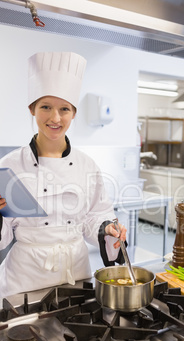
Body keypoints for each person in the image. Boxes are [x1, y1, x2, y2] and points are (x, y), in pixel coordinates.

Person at [0, 51, 127, 298]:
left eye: (64, 109)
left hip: (76, 277)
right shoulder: (10, 165)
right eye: (46, 107)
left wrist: (108, 228)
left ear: (74, 113)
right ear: (32, 109)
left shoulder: (86, 165)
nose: (55, 118)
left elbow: (95, 216)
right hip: (26, 281)